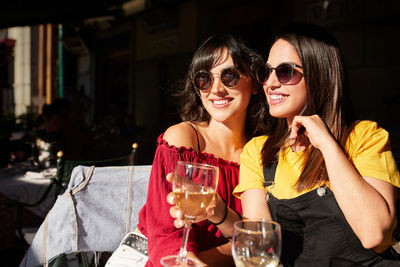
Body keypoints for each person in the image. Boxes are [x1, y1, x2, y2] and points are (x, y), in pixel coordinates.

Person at [169, 24, 400, 266]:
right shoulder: (258, 152)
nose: (270, 83)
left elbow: (374, 234)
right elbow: (257, 249)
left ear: (320, 74)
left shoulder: (364, 136)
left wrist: (326, 143)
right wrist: (218, 212)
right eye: (265, 72)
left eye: (285, 72)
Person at [137, 33, 268, 266]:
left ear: (255, 83)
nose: (216, 89)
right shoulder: (183, 140)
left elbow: (262, 243)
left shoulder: (262, 152)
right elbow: (167, 236)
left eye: (230, 76)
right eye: (204, 79)